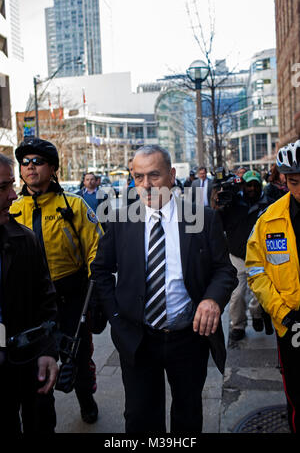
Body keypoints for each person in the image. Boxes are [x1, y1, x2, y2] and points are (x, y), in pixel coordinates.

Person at [90, 144, 237, 433]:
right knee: (140, 417)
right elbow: (100, 271)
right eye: (139, 177)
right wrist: (117, 320)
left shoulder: (203, 219)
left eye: (154, 176)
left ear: (171, 176)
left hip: (189, 339)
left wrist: (211, 300)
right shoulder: (120, 221)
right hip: (138, 339)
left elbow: (225, 270)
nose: (146, 185)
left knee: (188, 414)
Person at [10, 138, 104, 424]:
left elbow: (97, 248)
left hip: (71, 297)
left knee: (78, 358)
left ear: (53, 168)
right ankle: (41, 409)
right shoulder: (10, 208)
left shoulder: (73, 205)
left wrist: (95, 291)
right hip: (28, 301)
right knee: (34, 361)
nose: (30, 167)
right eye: (24, 163)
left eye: (37, 161)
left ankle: (86, 399)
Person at [0, 153, 58, 434]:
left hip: (28, 362)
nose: (12, 195)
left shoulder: (25, 240)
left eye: (11, 184)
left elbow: (45, 301)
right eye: (2, 188)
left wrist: (48, 351)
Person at [246, 140, 300, 433]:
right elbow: (255, 269)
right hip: (291, 323)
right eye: (293, 182)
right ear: (282, 179)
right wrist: (282, 313)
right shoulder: (269, 219)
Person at [213, 169, 274, 341]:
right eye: (249, 185)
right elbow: (218, 222)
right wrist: (219, 205)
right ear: (243, 186)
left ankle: (257, 314)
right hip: (237, 256)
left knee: (260, 293)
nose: (252, 188)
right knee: (237, 294)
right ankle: (238, 325)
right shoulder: (233, 203)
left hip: (261, 257)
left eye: (255, 185)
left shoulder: (269, 205)